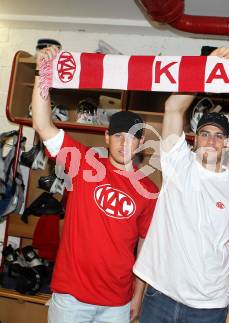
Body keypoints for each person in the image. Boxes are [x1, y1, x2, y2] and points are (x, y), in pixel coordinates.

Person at [32, 46, 158, 323]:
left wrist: (137, 296)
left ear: (140, 142)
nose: (125, 143)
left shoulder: (149, 189)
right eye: (118, 136)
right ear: (106, 137)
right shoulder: (85, 164)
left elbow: (145, 248)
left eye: (132, 137)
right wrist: (44, 72)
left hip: (117, 303)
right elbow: (42, 125)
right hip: (72, 298)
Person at [133, 47, 229, 323]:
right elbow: (173, 107)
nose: (211, 140)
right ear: (195, 139)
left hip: (209, 307)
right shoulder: (178, 165)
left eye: (219, 136)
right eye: (205, 134)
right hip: (161, 297)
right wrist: (206, 68)